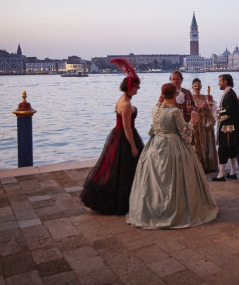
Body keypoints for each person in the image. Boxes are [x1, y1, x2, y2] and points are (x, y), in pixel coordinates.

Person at [126, 83, 218, 229]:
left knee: (155, 179)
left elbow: (154, 129)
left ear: (162, 94)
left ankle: (154, 210)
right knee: (174, 179)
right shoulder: (175, 112)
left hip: (154, 146)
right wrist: (192, 121)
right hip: (173, 146)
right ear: (175, 94)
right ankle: (177, 209)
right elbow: (186, 136)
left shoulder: (155, 109)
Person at [80, 58, 144, 215]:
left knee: (114, 170)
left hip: (117, 136)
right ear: (130, 87)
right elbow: (128, 128)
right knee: (126, 171)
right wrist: (134, 147)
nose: (138, 89)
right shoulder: (127, 105)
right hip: (125, 138)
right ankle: (126, 202)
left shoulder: (121, 100)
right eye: (136, 87)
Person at [212, 74, 239, 181]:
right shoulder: (230, 93)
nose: (218, 83)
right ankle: (233, 172)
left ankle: (221, 174)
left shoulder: (229, 95)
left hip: (227, 127)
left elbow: (228, 111)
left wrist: (216, 112)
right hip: (230, 127)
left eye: (220, 81)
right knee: (231, 148)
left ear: (225, 82)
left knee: (223, 149)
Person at [191, 78, 218, 172]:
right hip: (198, 123)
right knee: (199, 144)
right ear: (192, 87)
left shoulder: (204, 96)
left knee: (208, 142)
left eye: (199, 86)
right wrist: (200, 108)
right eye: (195, 86)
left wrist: (208, 107)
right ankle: (201, 165)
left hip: (206, 122)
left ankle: (210, 165)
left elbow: (212, 107)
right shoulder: (191, 97)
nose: (197, 87)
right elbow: (192, 110)